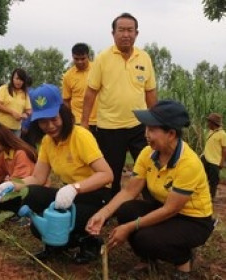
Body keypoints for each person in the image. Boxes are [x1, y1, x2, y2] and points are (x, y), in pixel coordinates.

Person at [86, 100, 214, 280]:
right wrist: (103, 213)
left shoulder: (189, 164)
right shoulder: (147, 154)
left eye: (152, 130)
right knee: (126, 209)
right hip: (163, 208)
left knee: (145, 237)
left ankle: (184, 262)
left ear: (171, 133)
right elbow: (129, 192)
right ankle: (148, 260)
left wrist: (129, 227)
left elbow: (171, 209)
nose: (146, 134)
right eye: (146, 128)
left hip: (193, 220)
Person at [0, 84, 114, 264]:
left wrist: (75, 188)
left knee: (67, 219)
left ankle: (89, 242)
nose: (49, 126)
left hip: (96, 196)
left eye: (54, 119)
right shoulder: (48, 143)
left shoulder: (80, 136)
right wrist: (12, 184)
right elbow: (37, 178)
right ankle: (54, 245)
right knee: (34, 203)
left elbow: (107, 175)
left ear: (63, 114)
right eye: (43, 122)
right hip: (70, 195)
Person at [81, 12, 158, 197]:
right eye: (121, 30)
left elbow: (150, 92)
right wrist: (84, 123)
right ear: (113, 33)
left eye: (130, 30)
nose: (126, 34)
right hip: (110, 127)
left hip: (138, 126)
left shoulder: (144, 58)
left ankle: (152, 205)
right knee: (111, 173)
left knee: (149, 167)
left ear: (136, 33)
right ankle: (108, 207)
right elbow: (91, 92)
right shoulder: (102, 58)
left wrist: (155, 122)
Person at [62, 43, 98, 134]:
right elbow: (66, 100)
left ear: (88, 56)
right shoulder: (68, 76)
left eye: (83, 59)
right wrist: (69, 120)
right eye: (76, 59)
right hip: (78, 120)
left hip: (99, 120)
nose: (79, 62)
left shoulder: (97, 69)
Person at [0, 68, 32, 136]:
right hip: (1, 126)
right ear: (12, 78)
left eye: (21, 80)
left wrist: (24, 115)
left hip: (16, 129)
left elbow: (29, 110)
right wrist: (12, 112)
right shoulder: (4, 88)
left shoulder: (25, 93)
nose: (18, 81)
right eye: (17, 78)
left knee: (14, 147)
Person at [201, 113, 226, 199]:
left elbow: (224, 149)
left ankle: (211, 197)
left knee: (213, 181)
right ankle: (202, 194)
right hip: (205, 158)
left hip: (215, 161)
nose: (208, 124)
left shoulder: (222, 134)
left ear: (213, 123)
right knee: (201, 178)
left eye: (209, 122)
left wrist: (222, 162)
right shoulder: (210, 132)